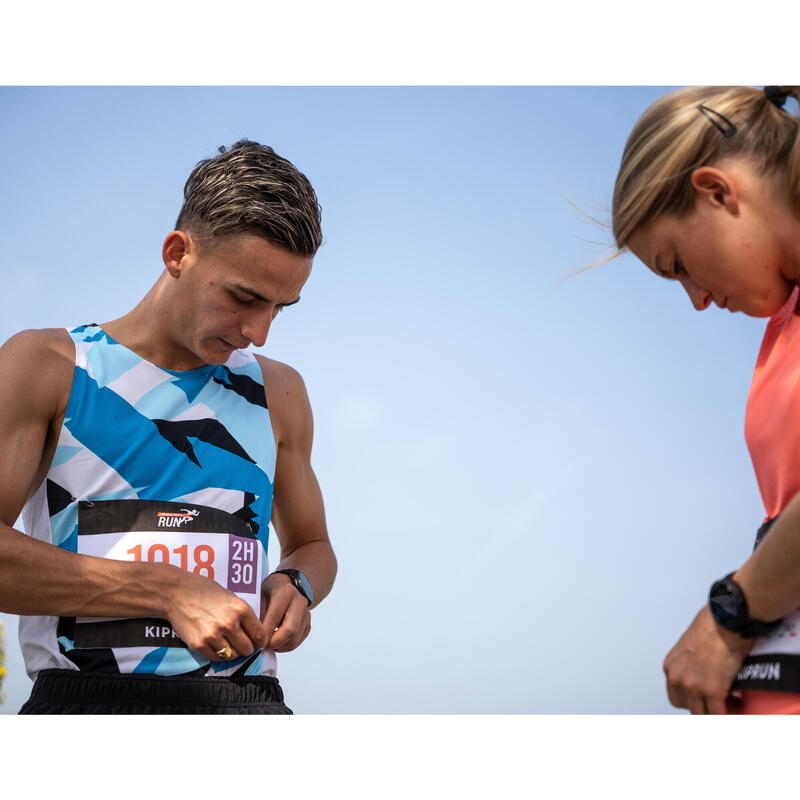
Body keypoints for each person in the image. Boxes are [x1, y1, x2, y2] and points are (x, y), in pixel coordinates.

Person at [0, 139, 337, 714]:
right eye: (245, 297)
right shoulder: (48, 365)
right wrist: (165, 589)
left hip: (248, 704)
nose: (259, 331)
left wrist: (295, 584)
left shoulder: (280, 391)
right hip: (85, 706)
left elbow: (312, 544)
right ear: (178, 253)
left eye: (281, 307)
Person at [611, 85, 800, 714]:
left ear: (718, 191)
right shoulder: (784, 324)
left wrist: (728, 616)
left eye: (678, 263)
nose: (696, 299)